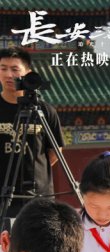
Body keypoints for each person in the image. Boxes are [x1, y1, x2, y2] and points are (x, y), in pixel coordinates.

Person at [0, 47, 65, 218]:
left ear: (28, 73)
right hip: (2, 196)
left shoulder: (45, 110)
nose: (8, 74)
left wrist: (32, 167)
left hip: (39, 196)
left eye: (14, 69)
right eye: (3, 68)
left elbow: (55, 151)